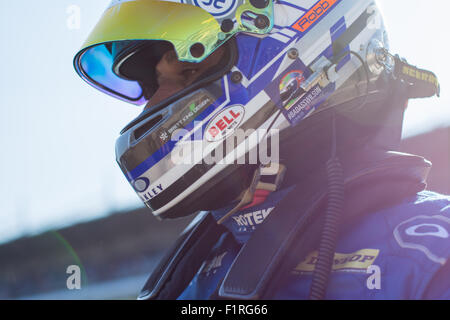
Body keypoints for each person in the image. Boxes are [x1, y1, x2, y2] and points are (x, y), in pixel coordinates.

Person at [73, 0, 449, 299]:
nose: (155, 105)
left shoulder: (431, 253)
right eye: (154, 85)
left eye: (186, 70)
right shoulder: (194, 268)